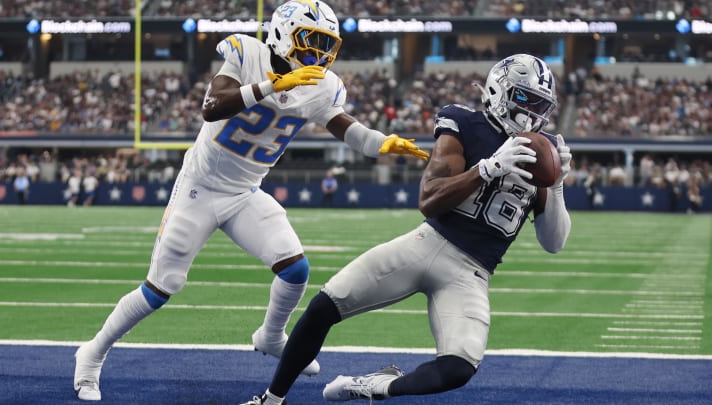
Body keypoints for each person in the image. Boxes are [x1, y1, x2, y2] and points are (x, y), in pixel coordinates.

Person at [72, 0, 428, 401]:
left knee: (295, 269)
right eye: (311, 41)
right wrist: (273, 85)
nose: (319, 55)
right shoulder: (247, 52)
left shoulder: (321, 85)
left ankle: (271, 335)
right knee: (161, 287)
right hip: (199, 189)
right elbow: (212, 108)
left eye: (327, 45)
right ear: (282, 33)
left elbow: (349, 130)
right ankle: (92, 354)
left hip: (244, 193)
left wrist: (385, 144)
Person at [241, 54, 572, 405]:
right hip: (426, 244)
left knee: (459, 367)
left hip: (472, 272)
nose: (533, 113)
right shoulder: (464, 123)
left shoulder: (542, 153)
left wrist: (558, 185)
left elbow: (554, 243)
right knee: (324, 306)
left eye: (542, 105)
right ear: (498, 89)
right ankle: (272, 400)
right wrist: (486, 170)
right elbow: (429, 200)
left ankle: (375, 386)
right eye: (526, 99)